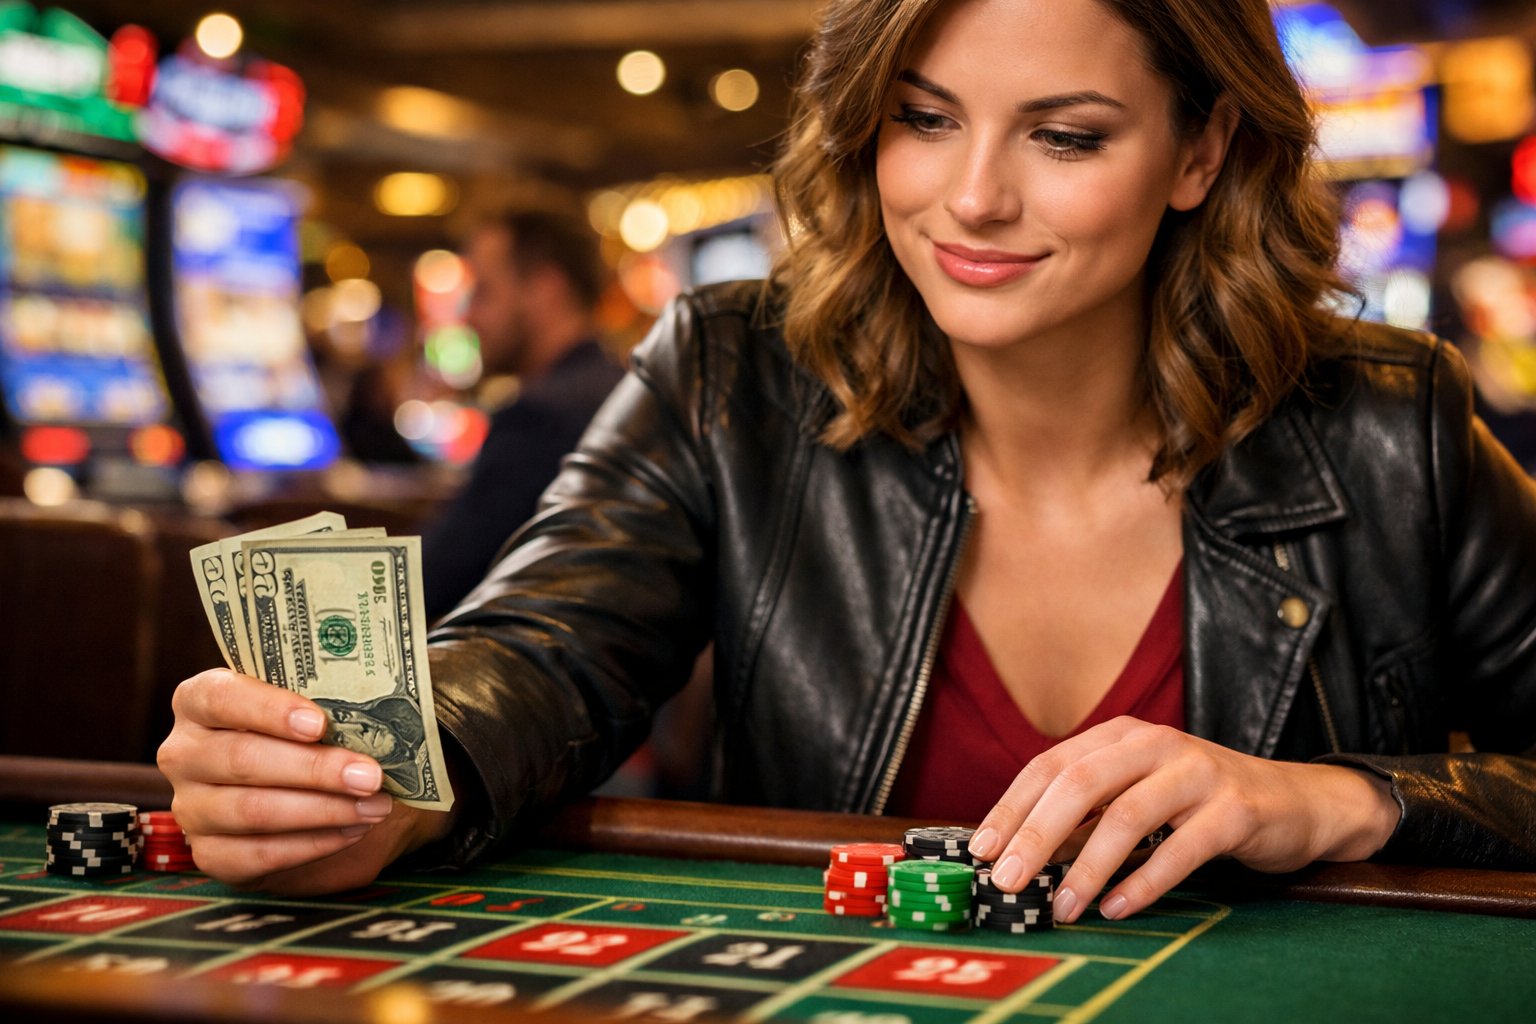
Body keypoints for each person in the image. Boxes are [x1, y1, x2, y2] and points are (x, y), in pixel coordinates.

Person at [158, 0, 1536, 919]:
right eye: (923, 118)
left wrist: (1341, 800)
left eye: (1066, 136)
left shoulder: (1389, 421)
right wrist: (383, 781)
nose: (972, 195)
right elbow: (539, 652)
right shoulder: (727, 374)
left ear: (1201, 150)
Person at [419, 208, 625, 621]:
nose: (469, 317)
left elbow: (430, 583)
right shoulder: (623, 388)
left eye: (483, 292)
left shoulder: (541, 418)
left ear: (545, 289)